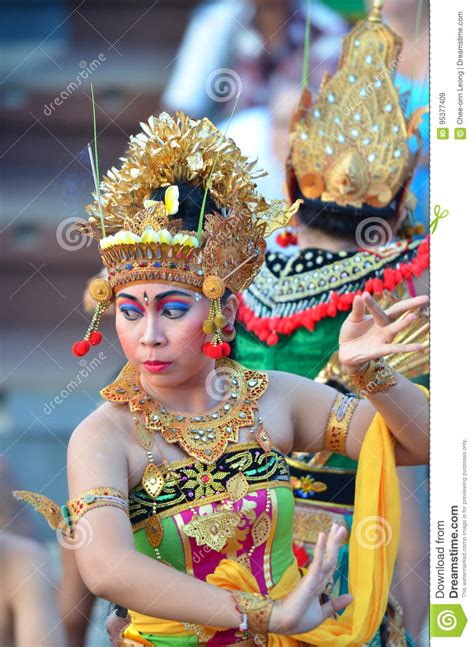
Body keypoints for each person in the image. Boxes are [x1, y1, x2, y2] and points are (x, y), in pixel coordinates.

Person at [13, 110, 428, 646]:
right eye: (131, 311)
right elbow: (107, 566)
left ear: (224, 316)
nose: (150, 336)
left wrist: (370, 373)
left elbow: (422, 443)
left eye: (173, 309)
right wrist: (267, 616)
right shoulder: (104, 434)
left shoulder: (273, 398)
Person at [233, 1, 429, 642]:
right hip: (348, 549)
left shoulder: (236, 265)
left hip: (223, 537)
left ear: (296, 172)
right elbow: (415, 458)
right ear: (399, 192)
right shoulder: (408, 270)